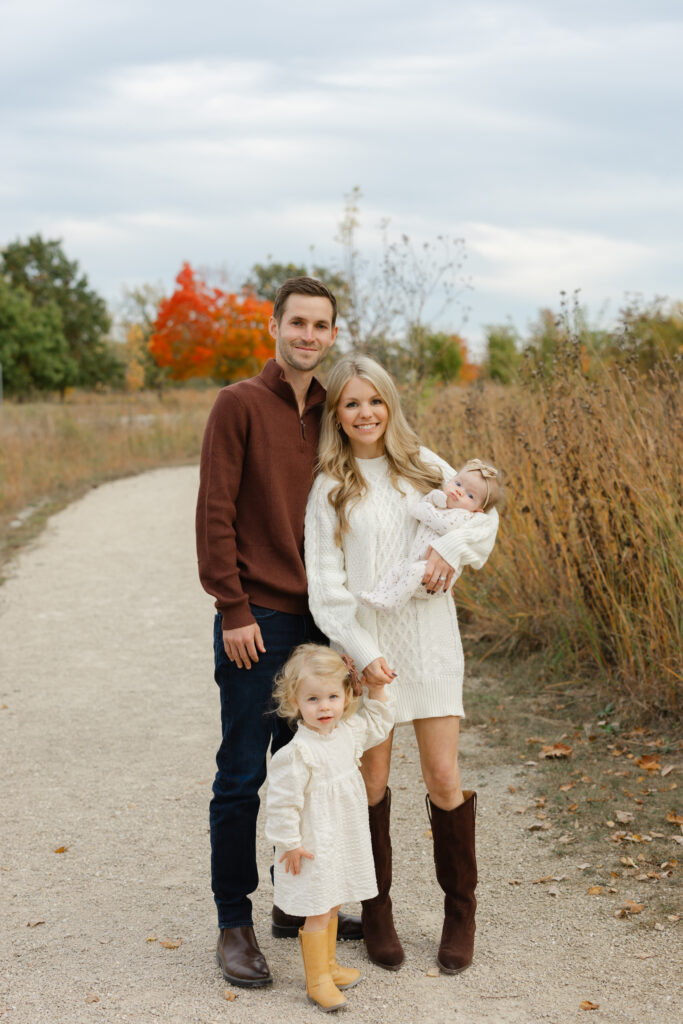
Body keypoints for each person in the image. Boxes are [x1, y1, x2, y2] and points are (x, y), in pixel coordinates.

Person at [304, 355, 499, 974]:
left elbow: (484, 520)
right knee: (370, 784)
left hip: (432, 645)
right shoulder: (330, 488)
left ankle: (460, 913)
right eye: (352, 403)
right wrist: (365, 655)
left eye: (375, 401)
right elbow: (326, 589)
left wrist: (447, 546)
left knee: (444, 779)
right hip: (370, 654)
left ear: (390, 404)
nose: (366, 414)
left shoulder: (423, 467)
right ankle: (378, 908)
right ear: (338, 413)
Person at [196, 277, 361, 991]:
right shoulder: (238, 403)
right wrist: (231, 607)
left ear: (331, 334)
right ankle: (234, 920)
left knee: (316, 772)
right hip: (257, 618)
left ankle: (296, 906)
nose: (308, 335)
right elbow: (214, 510)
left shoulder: (334, 409)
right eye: (297, 322)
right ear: (273, 326)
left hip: (321, 619)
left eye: (321, 325)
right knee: (243, 774)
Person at [265, 644, 394, 1011]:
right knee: (319, 907)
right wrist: (288, 843)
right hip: (314, 841)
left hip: (342, 835)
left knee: (334, 900)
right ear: (295, 702)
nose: (324, 707)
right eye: (313, 699)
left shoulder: (347, 732)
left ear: (346, 696)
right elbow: (282, 802)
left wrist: (379, 690)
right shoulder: (296, 754)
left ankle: (330, 965)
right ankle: (317, 979)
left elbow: (379, 724)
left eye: (333, 696)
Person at [360, 459, 503, 611]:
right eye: (458, 484)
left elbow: (441, 524)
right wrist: (434, 497)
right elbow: (417, 510)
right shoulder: (439, 506)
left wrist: (429, 507)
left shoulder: (464, 516)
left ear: (477, 510)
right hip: (414, 564)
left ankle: (393, 603)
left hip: (433, 577)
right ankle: (379, 595)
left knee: (414, 571)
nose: (459, 491)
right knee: (399, 568)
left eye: (470, 496)